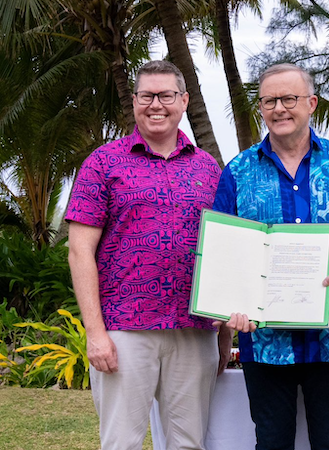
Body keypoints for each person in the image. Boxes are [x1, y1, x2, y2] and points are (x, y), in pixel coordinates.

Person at [214, 63, 329, 450]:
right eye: (269, 100)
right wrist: (229, 308)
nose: (279, 108)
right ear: (261, 108)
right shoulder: (238, 171)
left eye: (289, 98)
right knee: (271, 443)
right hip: (264, 341)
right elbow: (222, 252)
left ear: (311, 104)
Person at [66, 60, 228, 449]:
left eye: (166, 95)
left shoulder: (208, 169)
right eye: (146, 96)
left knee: (189, 443)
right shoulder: (103, 163)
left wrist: (224, 335)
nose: (156, 104)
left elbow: (225, 252)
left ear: (184, 100)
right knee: (122, 442)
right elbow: (78, 251)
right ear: (135, 101)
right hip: (124, 329)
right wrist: (95, 334)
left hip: (193, 329)